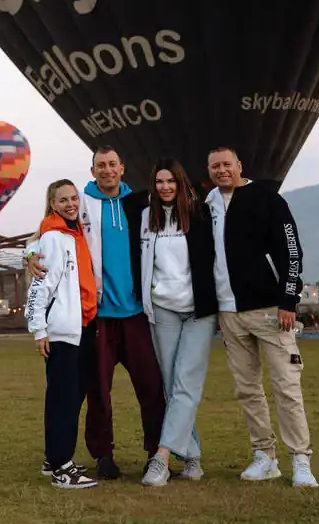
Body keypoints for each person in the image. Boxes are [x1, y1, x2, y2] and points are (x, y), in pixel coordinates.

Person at [27, 146, 165, 480]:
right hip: (98, 316)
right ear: (92, 171)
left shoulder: (140, 205)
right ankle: (103, 454)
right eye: (100, 165)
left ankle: (156, 454)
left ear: (122, 168)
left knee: (151, 386)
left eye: (112, 164)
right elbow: (43, 233)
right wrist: (29, 253)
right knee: (98, 390)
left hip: (136, 313)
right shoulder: (81, 204)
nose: (106, 170)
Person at [205, 145, 318, 488]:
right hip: (229, 312)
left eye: (227, 164)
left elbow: (291, 250)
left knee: (286, 386)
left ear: (240, 165)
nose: (222, 170)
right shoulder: (207, 204)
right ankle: (264, 457)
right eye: (215, 166)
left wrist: (288, 299)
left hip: (270, 310)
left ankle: (300, 459)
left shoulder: (268, 199)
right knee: (247, 390)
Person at [139, 158, 218, 487]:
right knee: (173, 386)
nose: (165, 187)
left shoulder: (202, 216)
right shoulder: (146, 217)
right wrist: (32, 252)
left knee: (186, 383)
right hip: (163, 309)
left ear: (181, 183)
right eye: (159, 182)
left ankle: (162, 457)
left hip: (199, 309)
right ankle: (194, 458)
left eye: (171, 181)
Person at [25, 179, 98, 489]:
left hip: (81, 325)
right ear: (52, 204)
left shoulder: (74, 231)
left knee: (68, 394)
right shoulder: (55, 236)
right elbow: (42, 283)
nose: (71, 204)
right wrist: (39, 328)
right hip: (63, 330)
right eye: (63, 200)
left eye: (73, 199)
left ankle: (53, 457)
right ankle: (62, 467)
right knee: (63, 398)